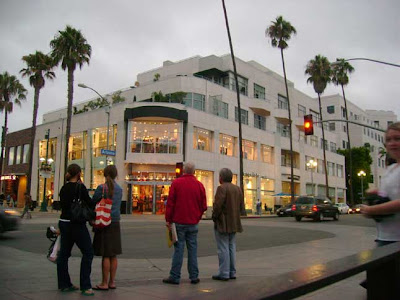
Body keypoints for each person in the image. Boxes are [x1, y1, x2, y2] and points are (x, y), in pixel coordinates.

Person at [360, 122, 400, 288]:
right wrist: (378, 194)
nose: (392, 143)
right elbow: (391, 195)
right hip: (384, 237)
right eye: (388, 139)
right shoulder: (391, 169)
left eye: (397, 138)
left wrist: (371, 209)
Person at [163, 162, 207, 285]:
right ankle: (194, 276)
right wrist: (197, 217)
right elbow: (203, 206)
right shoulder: (199, 185)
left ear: (183, 171)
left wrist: (168, 220)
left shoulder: (176, 183)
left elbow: (170, 204)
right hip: (192, 222)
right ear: (194, 172)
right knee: (193, 249)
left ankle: (175, 276)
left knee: (179, 249)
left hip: (179, 221)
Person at [57, 164, 95, 296]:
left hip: (64, 222)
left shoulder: (63, 188)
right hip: (77, 223)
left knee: (64, 254)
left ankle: (64, 283)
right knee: (88, 252)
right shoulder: (80, 187)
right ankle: (86, 285)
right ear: (79, 173)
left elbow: (62, 205)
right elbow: (90, 203)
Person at [92, 165, 122, 291]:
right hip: (115, 222)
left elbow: (93, 201)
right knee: (113, 254)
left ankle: (104, 283)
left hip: (104, 221)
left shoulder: (101, 188)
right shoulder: (119, 189)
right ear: (116, 175)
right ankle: (112, 282)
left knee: (105, 254)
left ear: (105, 174)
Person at [212, 168, 244, 281]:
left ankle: (224, 273)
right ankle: (232, 272)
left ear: (221, 177)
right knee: (231, 247)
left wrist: (214, 217)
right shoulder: (237, 189)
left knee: (223, 248)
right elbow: (241, 206)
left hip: (223, 222)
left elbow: (217, 206)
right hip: (234, 222)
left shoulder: (221, 188)